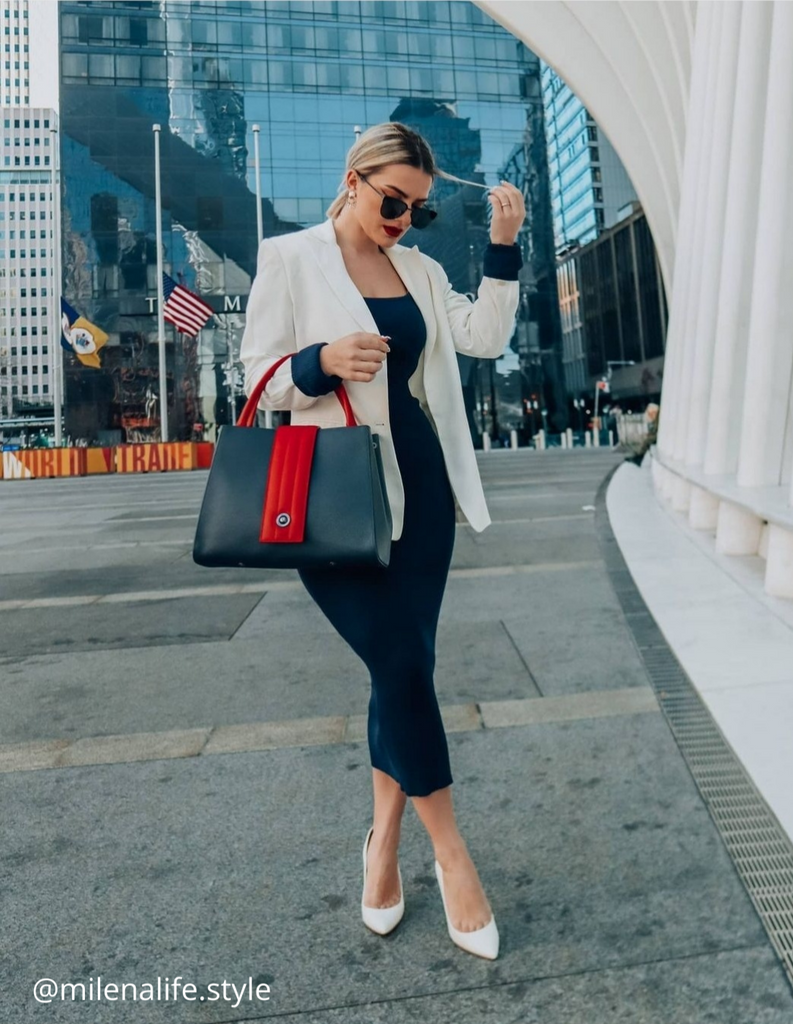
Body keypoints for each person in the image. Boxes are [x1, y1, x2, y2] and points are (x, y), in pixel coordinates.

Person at [240, 122, 524, 961]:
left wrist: (502, 247)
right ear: (354, 179)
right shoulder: (290, 257)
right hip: (333, 502)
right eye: (392, 202)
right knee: (400, 664)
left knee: (400, 670)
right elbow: (253, 381)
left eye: (419, 211)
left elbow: (485, 339)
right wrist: (321, 360)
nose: (402, 220)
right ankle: (452, 854)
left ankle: (382, 844)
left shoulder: (422, 270)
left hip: (423, 496)